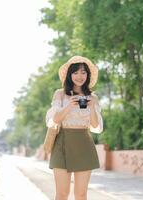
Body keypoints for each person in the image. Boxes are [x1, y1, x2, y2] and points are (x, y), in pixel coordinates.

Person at [45, 55, 103, 200]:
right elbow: (53, 120)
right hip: (62, 144)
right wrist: (69, 105)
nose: (79, 76)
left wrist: (92, 108)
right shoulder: (60, 94)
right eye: (75, 72)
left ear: (88, 75)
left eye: (83, 72)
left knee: (81, 194)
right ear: (69, 75)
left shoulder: (93, 97)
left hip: (84, 144)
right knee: (62, 194)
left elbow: (96, 126)